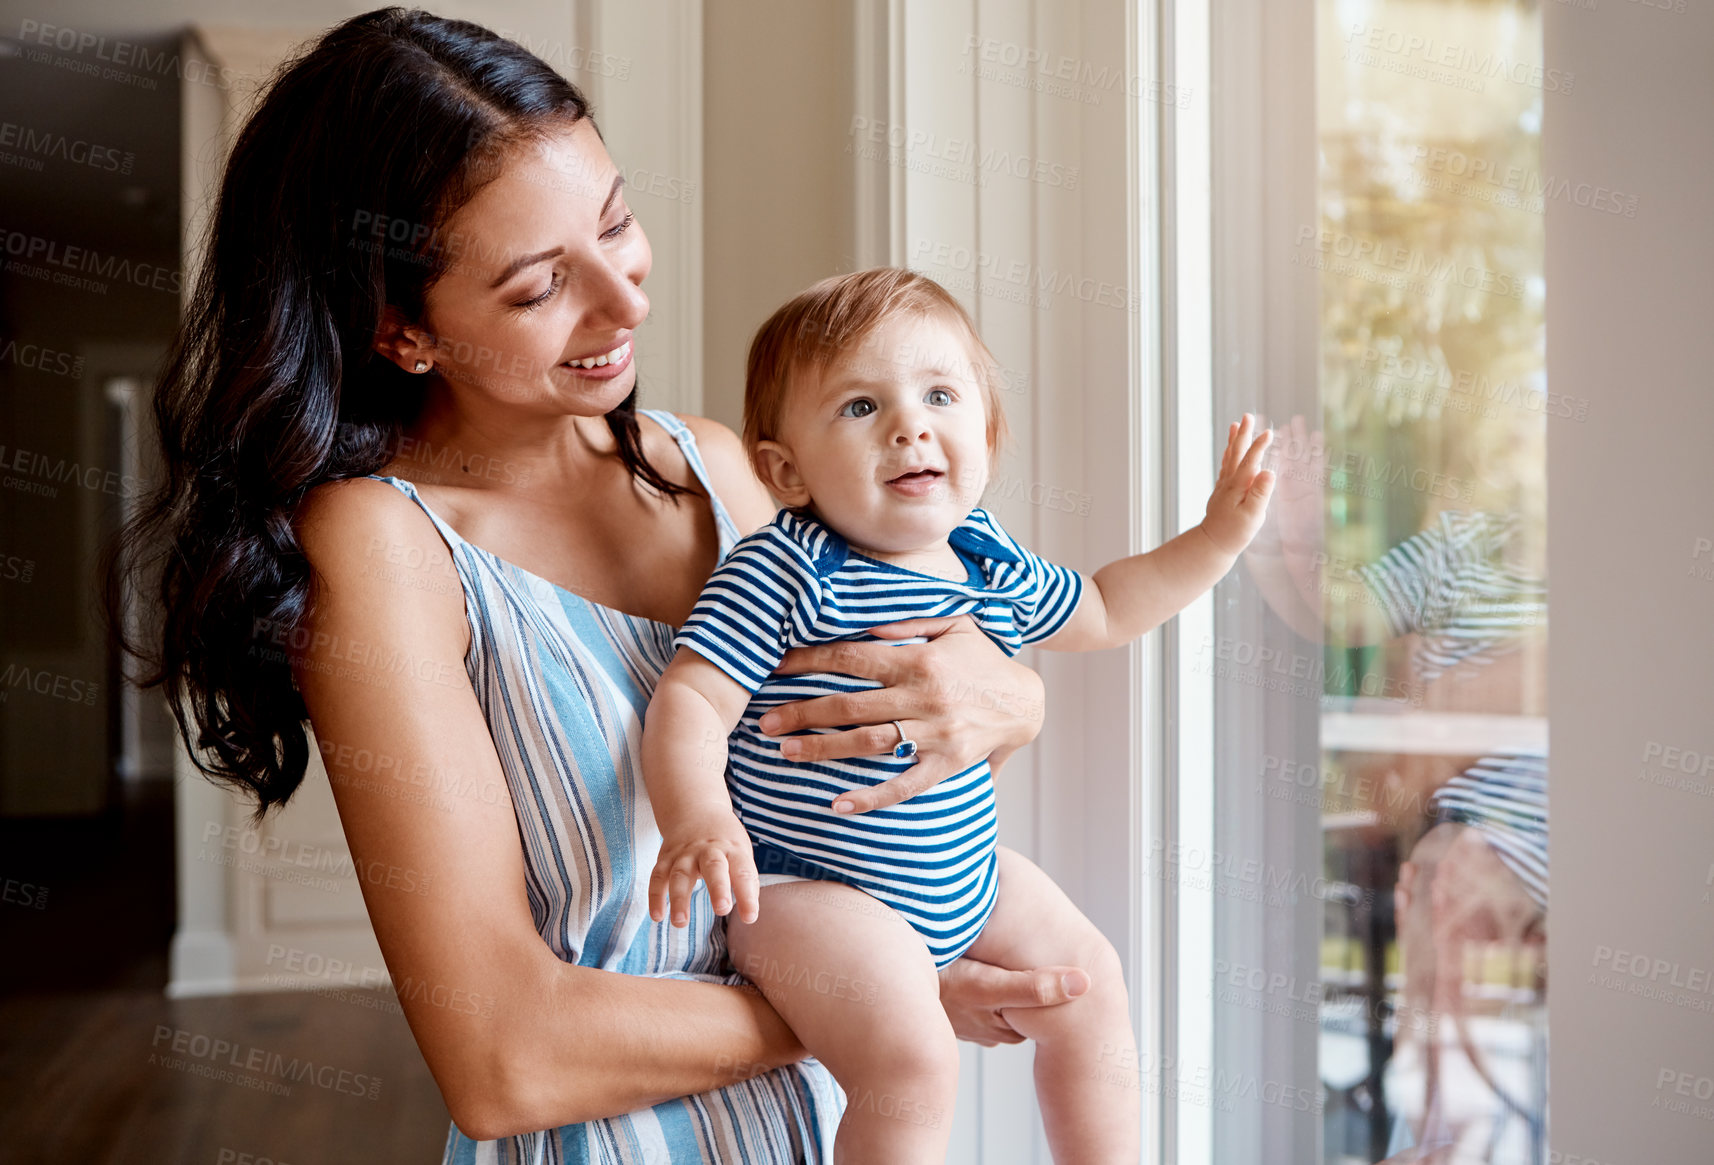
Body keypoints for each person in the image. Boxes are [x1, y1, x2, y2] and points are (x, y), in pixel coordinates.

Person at [111, 10, 1096, 1161]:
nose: (624, 303)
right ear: (402, 330)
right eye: (539, 288)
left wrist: (1010, 697)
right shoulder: (385, 548)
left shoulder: (725, 469)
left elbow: (892, 735)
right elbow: (504, 1056)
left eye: (616, 223)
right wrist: (889, 1011)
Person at [639, 268, 1278, 1161]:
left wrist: (1217, 537)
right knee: (913, 1060)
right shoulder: (784, 568)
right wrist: (698, 816)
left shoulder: (990, 560)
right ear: (785, 469)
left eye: (941, 394)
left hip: (965, 878)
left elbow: (1104, 605)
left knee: (1090, 983)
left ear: (985, 429)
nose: (911, 424)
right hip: (809, 891)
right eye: (860, 406)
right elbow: (693, 696)